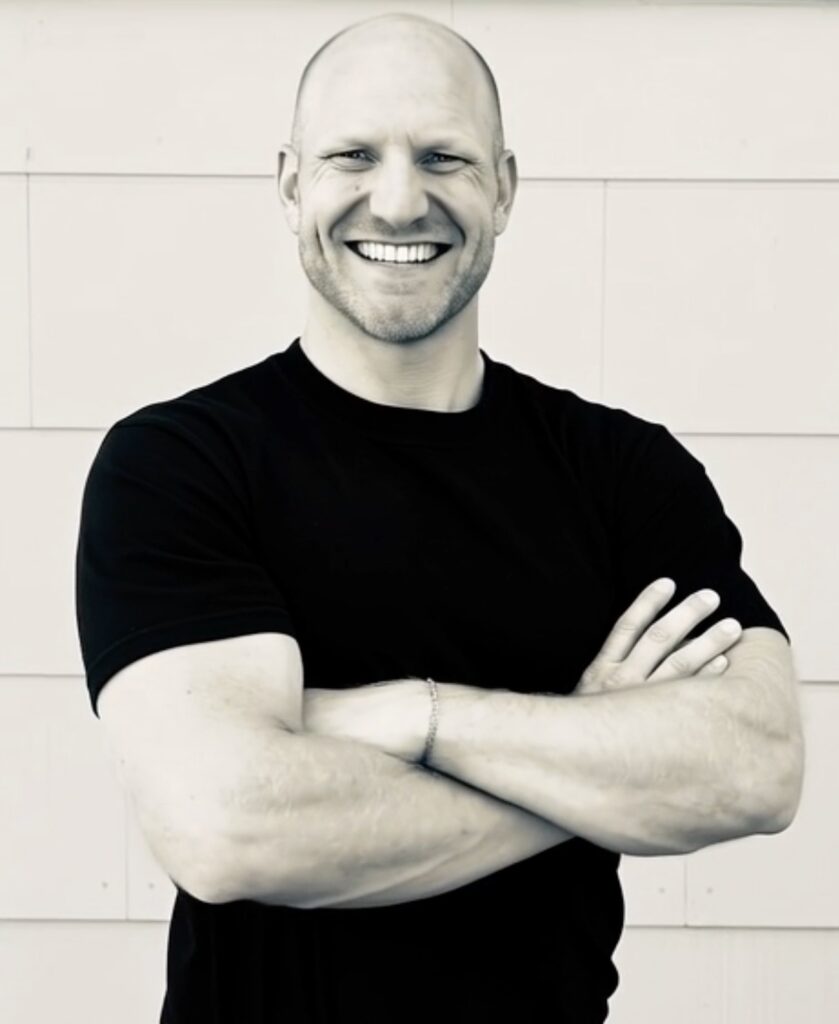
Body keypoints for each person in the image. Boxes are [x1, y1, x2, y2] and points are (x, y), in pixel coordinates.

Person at [74, 12, 804, 1024]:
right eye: (352, 155)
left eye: (441, 157)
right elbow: (226, 825)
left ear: (502, 188)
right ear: (289, 185)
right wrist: (588, 750)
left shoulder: (622, 472)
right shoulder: (181, 463)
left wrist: (411, 715)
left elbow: (754, 767)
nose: (397, 199)